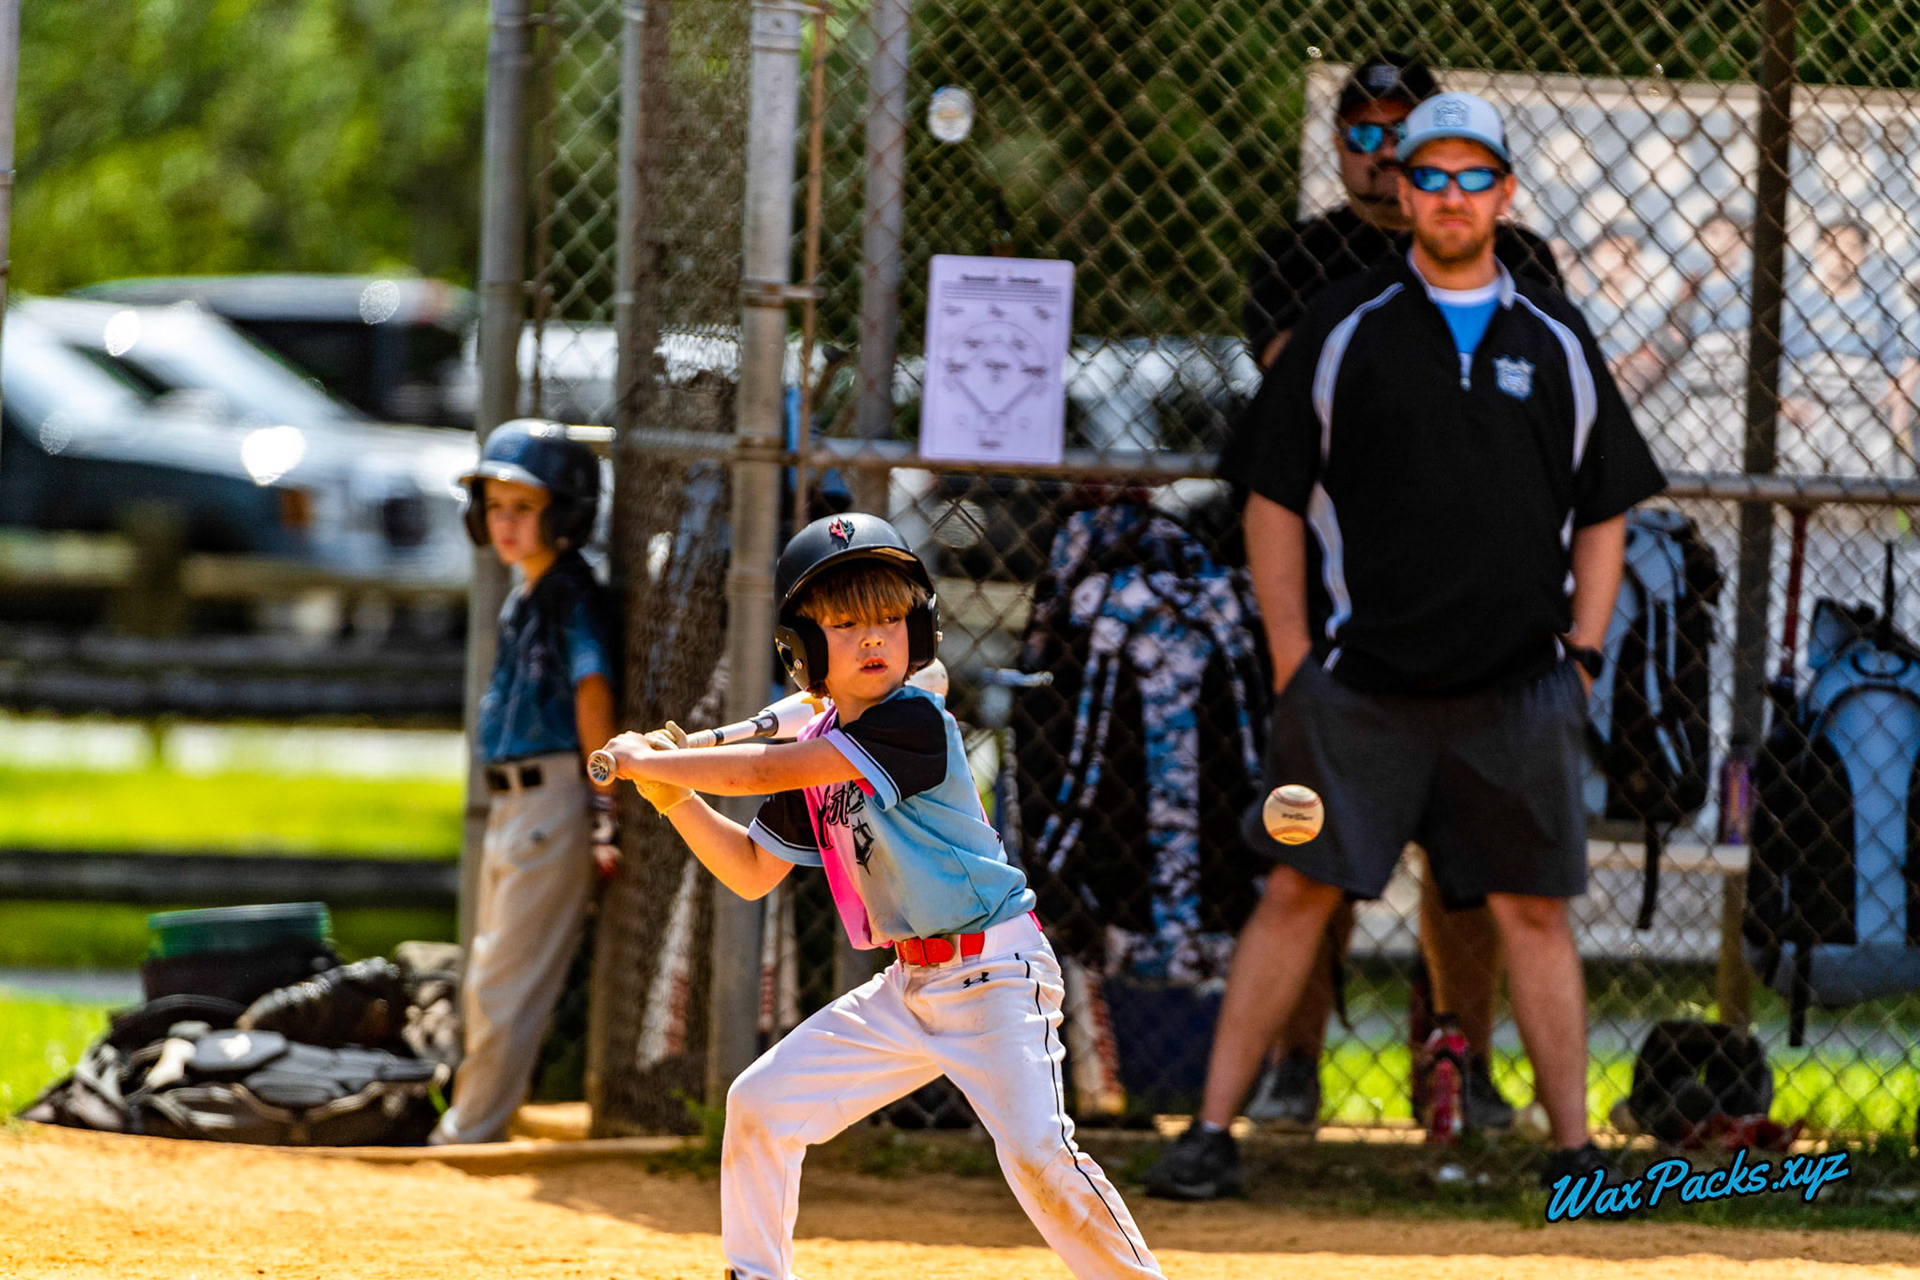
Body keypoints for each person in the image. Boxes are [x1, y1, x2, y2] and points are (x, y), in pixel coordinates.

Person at [1146, 91, 1666, 1200]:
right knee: (1299, 887)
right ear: (1404, 191)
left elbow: (1606, 502)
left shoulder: (1555, 336)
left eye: (1474, 177)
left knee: (1533, 905)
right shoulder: (1345, 326)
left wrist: (1581, 648)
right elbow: (1273, 499)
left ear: (1505, 195)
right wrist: (1293, 656)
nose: (1450, 196)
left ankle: (1576, 1152)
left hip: (1519, 687)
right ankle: (1212, 1128)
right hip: (1361, 688)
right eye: (1430, 175)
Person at [600, 512, 1163, 1280]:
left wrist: (655, 762)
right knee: (762, 1105)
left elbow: (763, 771)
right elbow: (749, 870)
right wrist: (670, 796)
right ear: (802, 650)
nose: (873, 639)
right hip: (909, 986)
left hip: (996, 974)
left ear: (919, 635)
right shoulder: (823, 746)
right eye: (844, 623)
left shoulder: (911, 720)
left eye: (891, 620)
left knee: (1038, 1158)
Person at [1225, 52, 1567, 1135]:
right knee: (1310, 841)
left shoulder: (1523, 259)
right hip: (1338, 599)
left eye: (1400, 131)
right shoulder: (1300, 256)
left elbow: (1536, 403)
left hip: (1477, 601)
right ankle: (1293, 1061)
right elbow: (1309, 393)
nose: (1381, 153)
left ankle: (1458, 1062)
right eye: (1361, 133)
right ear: (1341, 148)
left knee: (1473, 861)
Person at [431, 419, 619, 1146]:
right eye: (496, 507)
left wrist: (604, 805)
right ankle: (477, 1116)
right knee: (487, 968)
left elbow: (593, 692)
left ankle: (470, 1130)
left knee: (503, 977)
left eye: (524, 507)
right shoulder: (528, 591)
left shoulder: (573, 592)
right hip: (515, 802)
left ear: (566, 515)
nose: (505, 524)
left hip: (553, 797)